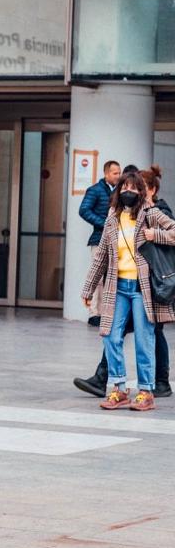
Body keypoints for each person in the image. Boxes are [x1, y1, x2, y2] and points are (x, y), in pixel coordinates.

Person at [75, 165, 173, 399]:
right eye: (124, 187)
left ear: (141, 191)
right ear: (118, 191)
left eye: (133, 188)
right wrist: (88, 288)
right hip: (117, 288)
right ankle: (118, 387)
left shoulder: (150, 215)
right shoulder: (112, 218)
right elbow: (101, 257)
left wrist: (155, 235)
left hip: (142, 289)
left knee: (144, 339)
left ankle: (146, 390)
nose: (128, 191)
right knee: (110, 335)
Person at [79, 160, 120, 327]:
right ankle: (94, 313)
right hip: (98, 239)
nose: (118, 176)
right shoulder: (95, 190)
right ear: (106, 174)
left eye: (119, 173)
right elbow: (83, 210)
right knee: (97, 277)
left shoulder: (120, 191)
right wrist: (103, 223)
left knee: (110, 277)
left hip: (116, 240)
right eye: (115, 173)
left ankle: (104, 313)